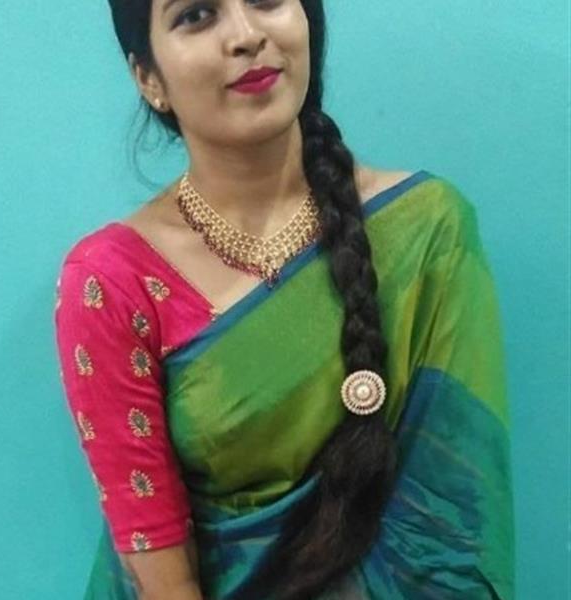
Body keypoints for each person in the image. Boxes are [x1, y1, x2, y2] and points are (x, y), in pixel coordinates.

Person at [53, 0, 516, 598]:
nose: (246, 35)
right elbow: (161, 570)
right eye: (196, 15)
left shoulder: (427, 229)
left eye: (267, 0)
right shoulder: (113, 282)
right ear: (149, 78)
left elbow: (453, 524)